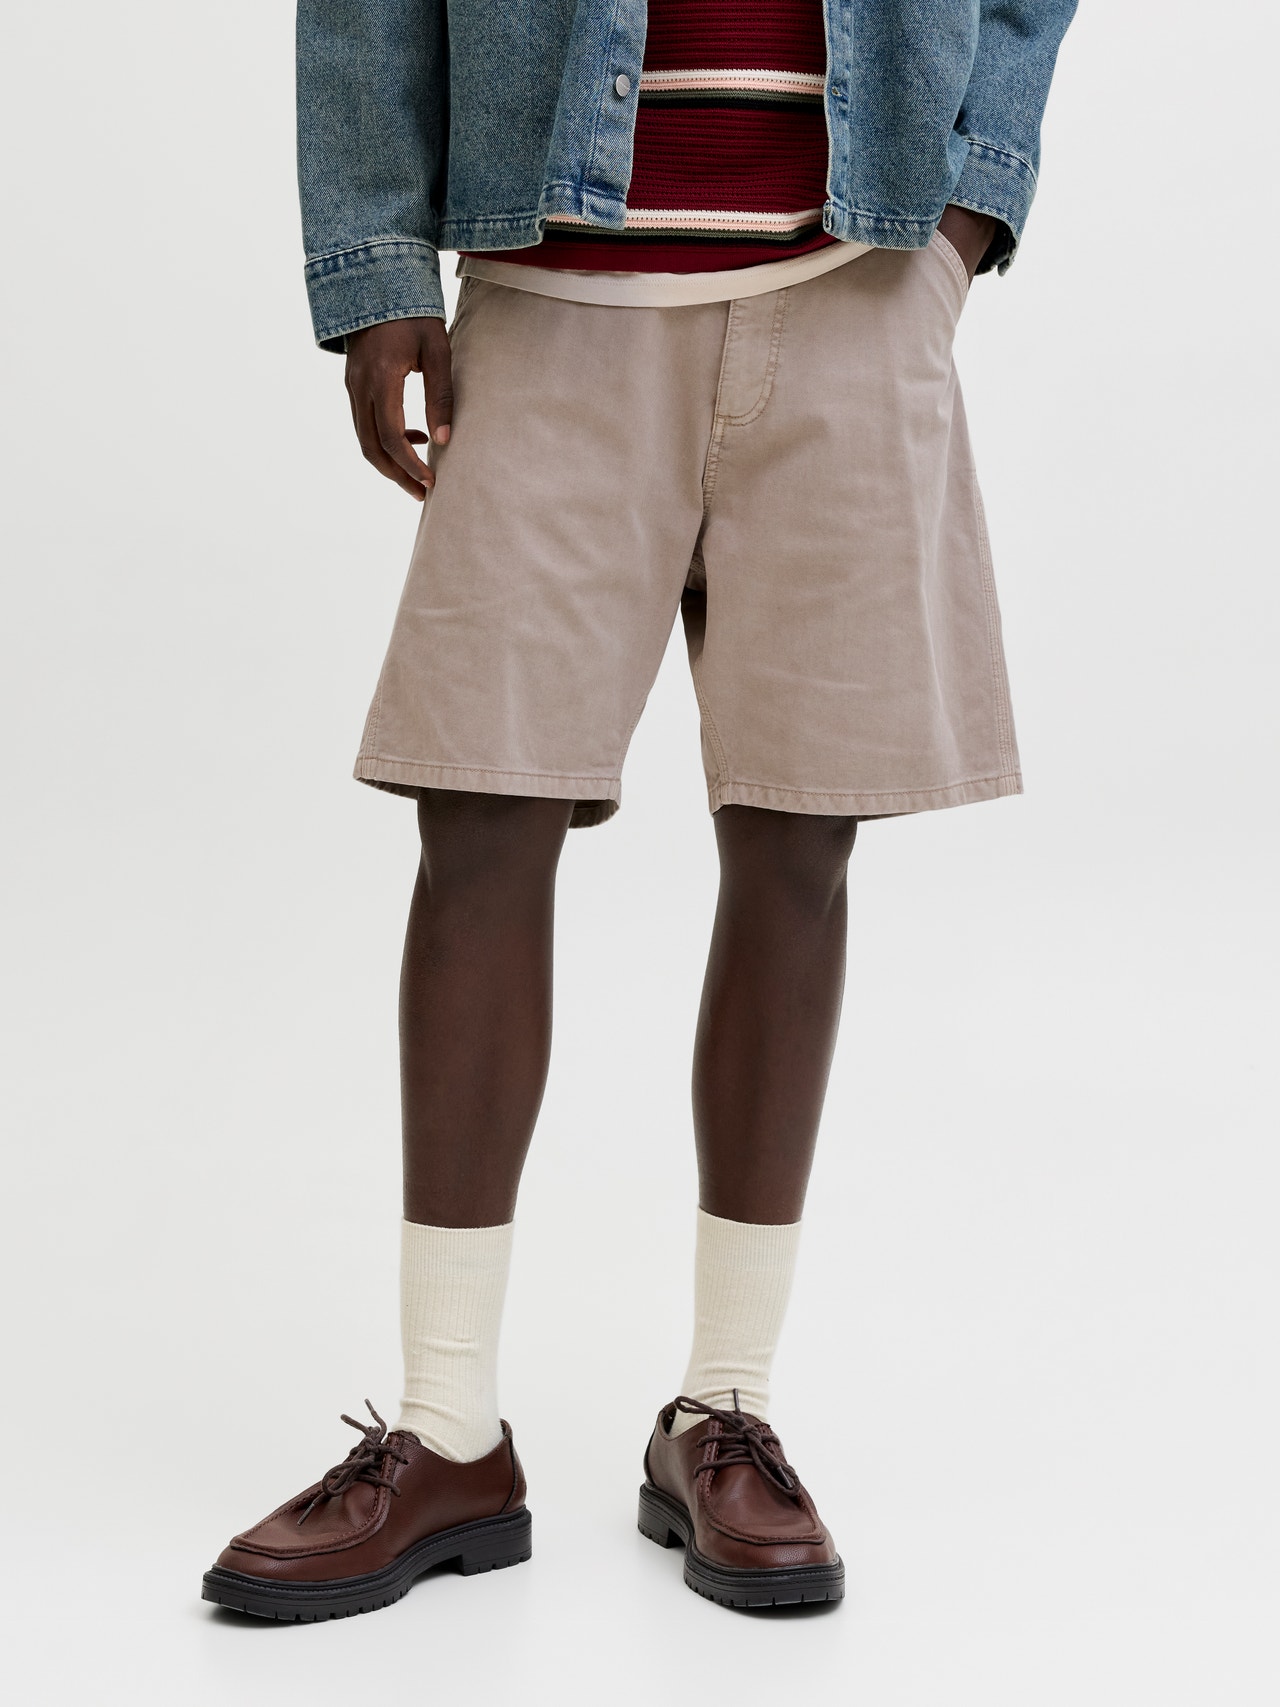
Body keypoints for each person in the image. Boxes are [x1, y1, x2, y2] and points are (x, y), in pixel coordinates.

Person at [203, 0, 1077, 1619]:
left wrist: (971, 202)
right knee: (481, 821)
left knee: (799, 839)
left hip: (856, 282)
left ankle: (724, 1410)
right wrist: (379, 273)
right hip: (550, 295)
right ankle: (447, 1428)